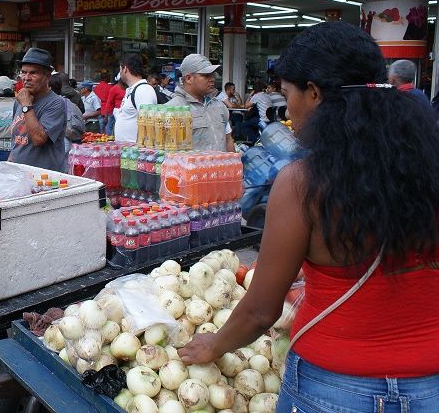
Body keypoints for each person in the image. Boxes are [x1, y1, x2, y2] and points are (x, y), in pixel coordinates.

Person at [179, 22, 439, 412]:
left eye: (288, 94)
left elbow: (260, 311)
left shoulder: (303, 184)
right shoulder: (430, 167)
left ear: (314, 93)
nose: (288, 110)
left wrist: (212, 344)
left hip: (332, 387)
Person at [9, 48, 67, 172]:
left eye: (33, 73)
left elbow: (38, 139)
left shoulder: (56, 103)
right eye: (23, 72)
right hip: (19, 175)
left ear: (47, 76)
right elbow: (17, 139)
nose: (26, 78)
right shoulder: (19, 101)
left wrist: (26, 106)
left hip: (45, 179)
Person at [166, 53, 233, 152]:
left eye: (212, 75)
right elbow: (167, 152)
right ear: (188, 78)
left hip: (221, 166)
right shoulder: (171, 109)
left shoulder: (219, 106)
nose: (212, 79)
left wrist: (233, 165)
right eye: (206, 75)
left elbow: (228, 140)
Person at [113, 53, 158, 143]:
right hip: (127, 152)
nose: (120, 72)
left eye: (120, 69)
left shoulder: (143, 90)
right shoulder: (133, 89)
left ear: (125, 69)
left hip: (135, 153)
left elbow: (148, 126)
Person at [50, 73, 85, 156]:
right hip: (70, 133)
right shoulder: (76, 93)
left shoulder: (52, 102)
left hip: (59, 138)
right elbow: (82, 110)